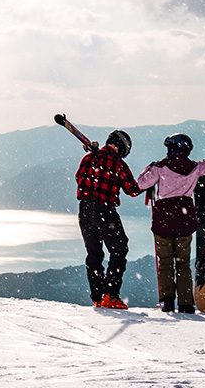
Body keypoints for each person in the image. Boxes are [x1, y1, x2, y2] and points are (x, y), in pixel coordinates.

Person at [138, 133, 205, 314]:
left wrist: (148, 167)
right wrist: (200, 162)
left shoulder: (159, 168)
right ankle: (186, 303)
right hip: (185, 218)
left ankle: (167, 301)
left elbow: (141, 183)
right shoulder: (196, 168)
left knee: (165, 261)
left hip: (163, 219)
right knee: (183, 263)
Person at [74, 129, 141, 309]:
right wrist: (147, 182)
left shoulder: (88, 158)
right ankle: (110, 295)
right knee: (119, 249)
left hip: (84, 210)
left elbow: (78, 178)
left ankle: (97, 296)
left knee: (94, 254)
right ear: (122, 147)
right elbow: (132, 190)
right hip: (104, 209)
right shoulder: (117, 163)